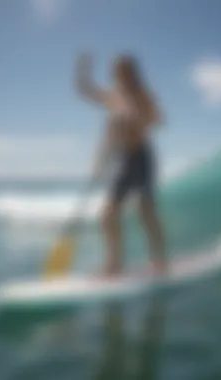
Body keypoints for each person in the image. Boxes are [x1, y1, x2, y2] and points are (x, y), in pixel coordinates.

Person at [75, 53, 166, 277]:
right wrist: (83, 68)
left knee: (146, 213)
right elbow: (85, 90)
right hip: (124, 160)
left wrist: (139, 118)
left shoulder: (143, 94)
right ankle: (115, 263)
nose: (121, 75)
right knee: (107, 215)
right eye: (117, 71)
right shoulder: (113, 96)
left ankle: (159, 261)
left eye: (125, 70)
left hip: (142, 157)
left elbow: (159, 120)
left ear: (133, 72)